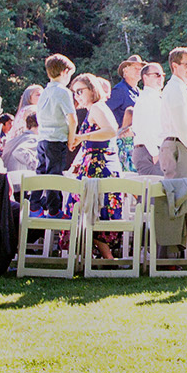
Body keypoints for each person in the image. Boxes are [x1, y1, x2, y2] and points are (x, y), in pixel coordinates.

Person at [68, 73, 125, 259]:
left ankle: (107, 258)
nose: (77, 96)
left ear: (92, 90)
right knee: (89, 210)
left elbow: (110, 131)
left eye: (80, 91)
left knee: (93, 211)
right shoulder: (96, 108)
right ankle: (101, 258)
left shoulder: (97, 108)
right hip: (94, 164)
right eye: (74, 93)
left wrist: (82, 137)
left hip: (99, 166)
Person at [32, 54, 77, 215]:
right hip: (57, 139)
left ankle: (34, 206)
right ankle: (54, 209)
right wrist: (71, 140)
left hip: (43, 138)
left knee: (41, 172)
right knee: (54, 176)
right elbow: (72, 119)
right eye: (70, 75)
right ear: (65, 72)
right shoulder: (63, 92)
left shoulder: (44, 91)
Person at [160, 48, 187, 179]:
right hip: (178, 146)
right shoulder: (176, 89)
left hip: (179, 145)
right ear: (175, 65)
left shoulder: (179, 88)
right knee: (182, 194)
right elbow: (183, 126)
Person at [131, 61, 167, 175]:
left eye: (162, 75)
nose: (161, 78)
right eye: (157, 74)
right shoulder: (146, 99)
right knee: (152, 191)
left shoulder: (156, 97)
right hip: (149, 152)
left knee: (159, 191)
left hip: (155, 150)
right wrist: (155, 153)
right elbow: (143, 129)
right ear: (145, 78)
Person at [110, 55, 145, 166]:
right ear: (125, 70)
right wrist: (118, 131)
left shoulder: (138, 92)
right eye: (135, 68)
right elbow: (105, 111)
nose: (139, 71)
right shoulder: (119, 90)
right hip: (121, 143)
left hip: (135, 141)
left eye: (140, 68)